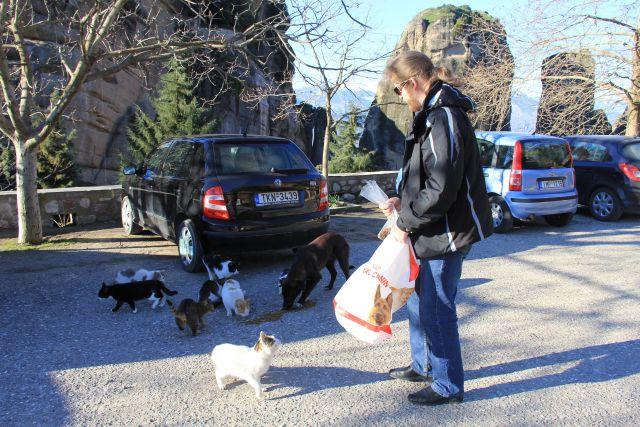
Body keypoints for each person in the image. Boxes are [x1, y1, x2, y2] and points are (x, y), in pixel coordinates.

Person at [379, 51, 493, 406]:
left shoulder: (443, 116)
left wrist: (404, 222)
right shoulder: (431, 113)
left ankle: (447, 385)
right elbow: (423, 177)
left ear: (412, 83)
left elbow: (442, 187)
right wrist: (402, 201)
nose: (400, 97)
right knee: (418, 301)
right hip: (429, 227)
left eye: (399, 89)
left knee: (437, 308)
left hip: (446, 232)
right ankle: (423, 365)